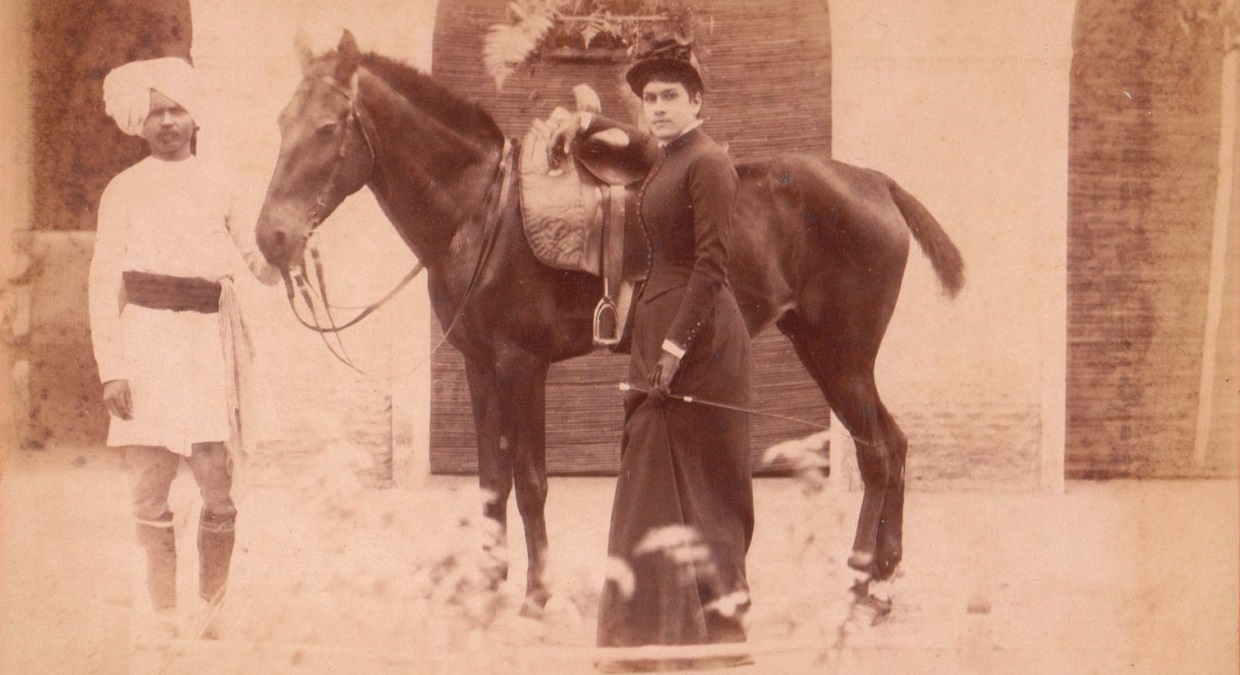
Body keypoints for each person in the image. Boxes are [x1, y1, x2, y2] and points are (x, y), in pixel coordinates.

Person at [550, 38, 755, 671]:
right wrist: (586, 121)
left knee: (702, 486)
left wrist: (673, 346)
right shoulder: (666, 160)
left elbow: (712, 266)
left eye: (670, 96)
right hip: (660, 331)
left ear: (697, 102)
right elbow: (625, 150)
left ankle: (713, 636)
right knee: (654, 479)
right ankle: (650, 636)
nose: (657, 106)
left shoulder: (710, 162)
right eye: (649, 98)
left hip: (700, 340)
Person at [89, 56, 279, 639]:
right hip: (145, 344)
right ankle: (165, 614)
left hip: (205, 346)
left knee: (216, 483)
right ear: (139, 124)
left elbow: (261, 264)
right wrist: (112, 369)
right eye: (155, 113)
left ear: (195, 117)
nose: (167, 122)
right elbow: (102, 281)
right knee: (148, 486)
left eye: (177, 110)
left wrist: (290, 251)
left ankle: (213, 609)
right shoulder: (124, 189)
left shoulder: (223, 182)